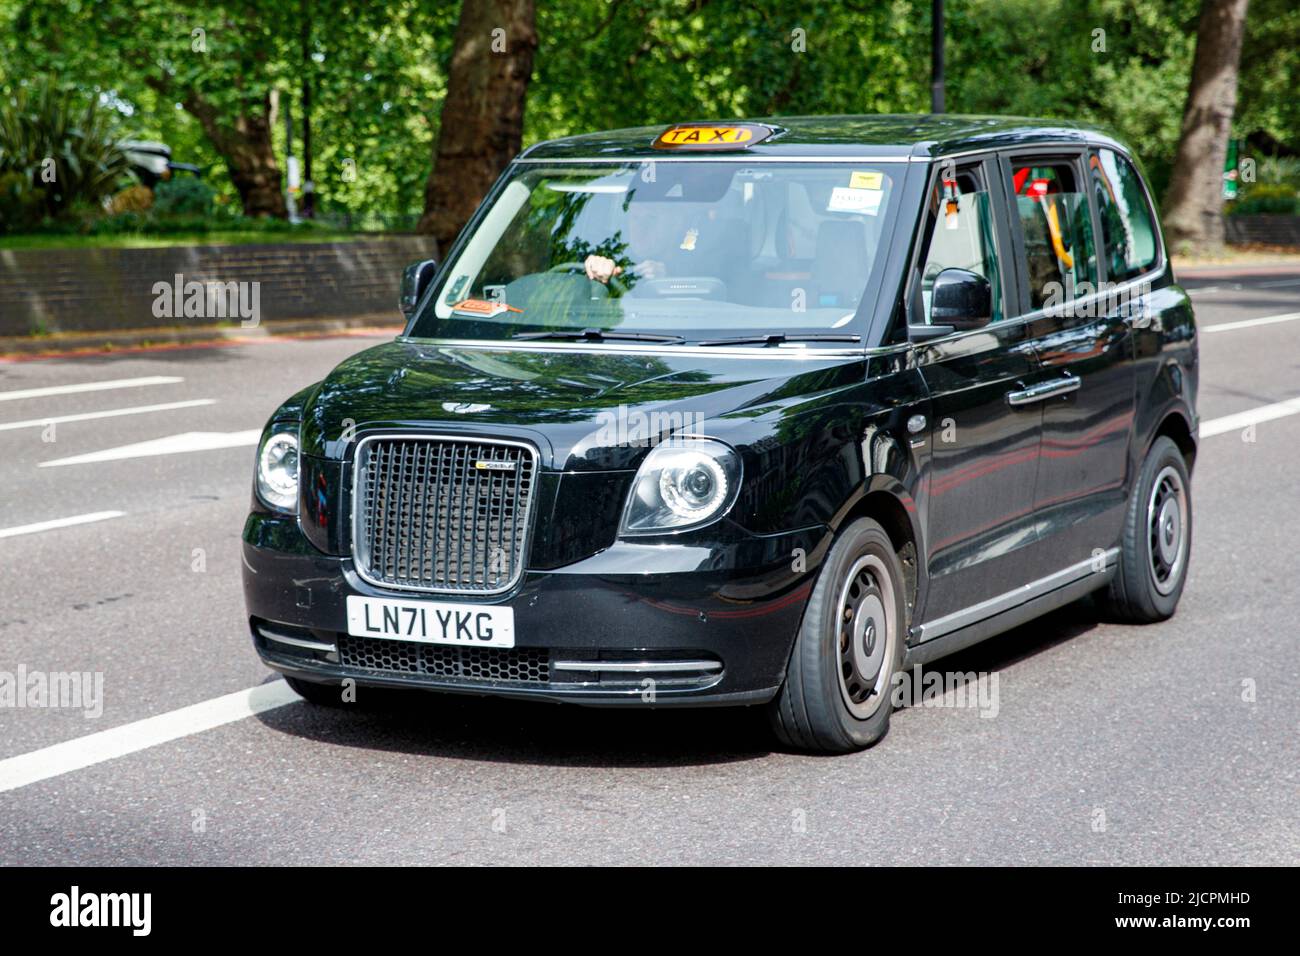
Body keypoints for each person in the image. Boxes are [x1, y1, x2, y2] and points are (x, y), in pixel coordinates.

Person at [584, 201, 693, 284]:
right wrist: (593, 269)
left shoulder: (695, 266)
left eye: (651, 218)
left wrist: (668, 281)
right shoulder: (614, 255)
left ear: (676, 223)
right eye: (635, 218)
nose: (639, 228)